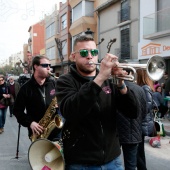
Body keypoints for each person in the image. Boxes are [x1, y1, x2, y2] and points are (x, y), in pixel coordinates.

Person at [56, 35, 138, 170]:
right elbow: (71, 111)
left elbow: (133, 112)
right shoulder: (65, 81)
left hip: (113, 160)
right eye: (83, 53)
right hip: (81, 162)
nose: (90, 56)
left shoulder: (109, 80)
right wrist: (100, 78)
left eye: (94, 52)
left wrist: (121, 85)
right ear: (73, 56)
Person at [13, 55, 60, 141]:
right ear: (36, 66)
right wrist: (30, 123)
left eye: (50, 65)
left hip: (56, 131)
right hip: (37, 132)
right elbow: (17, 110)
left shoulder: (53, 83)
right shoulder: (25, 88)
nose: (49, 68)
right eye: (45, 65)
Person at [117, 80, 147, 170]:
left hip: (116, 132)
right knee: (131, 165)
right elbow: (144, 111)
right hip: (134, 132)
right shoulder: (140, 89)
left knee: (112, 161)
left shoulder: (113, 88)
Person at [136, 69, 156, 170]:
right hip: (142, 123)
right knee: (139, 152)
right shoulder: (144, 87)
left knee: (138, 153)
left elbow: (146, 107)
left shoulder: (144, 88)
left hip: (141, 124)